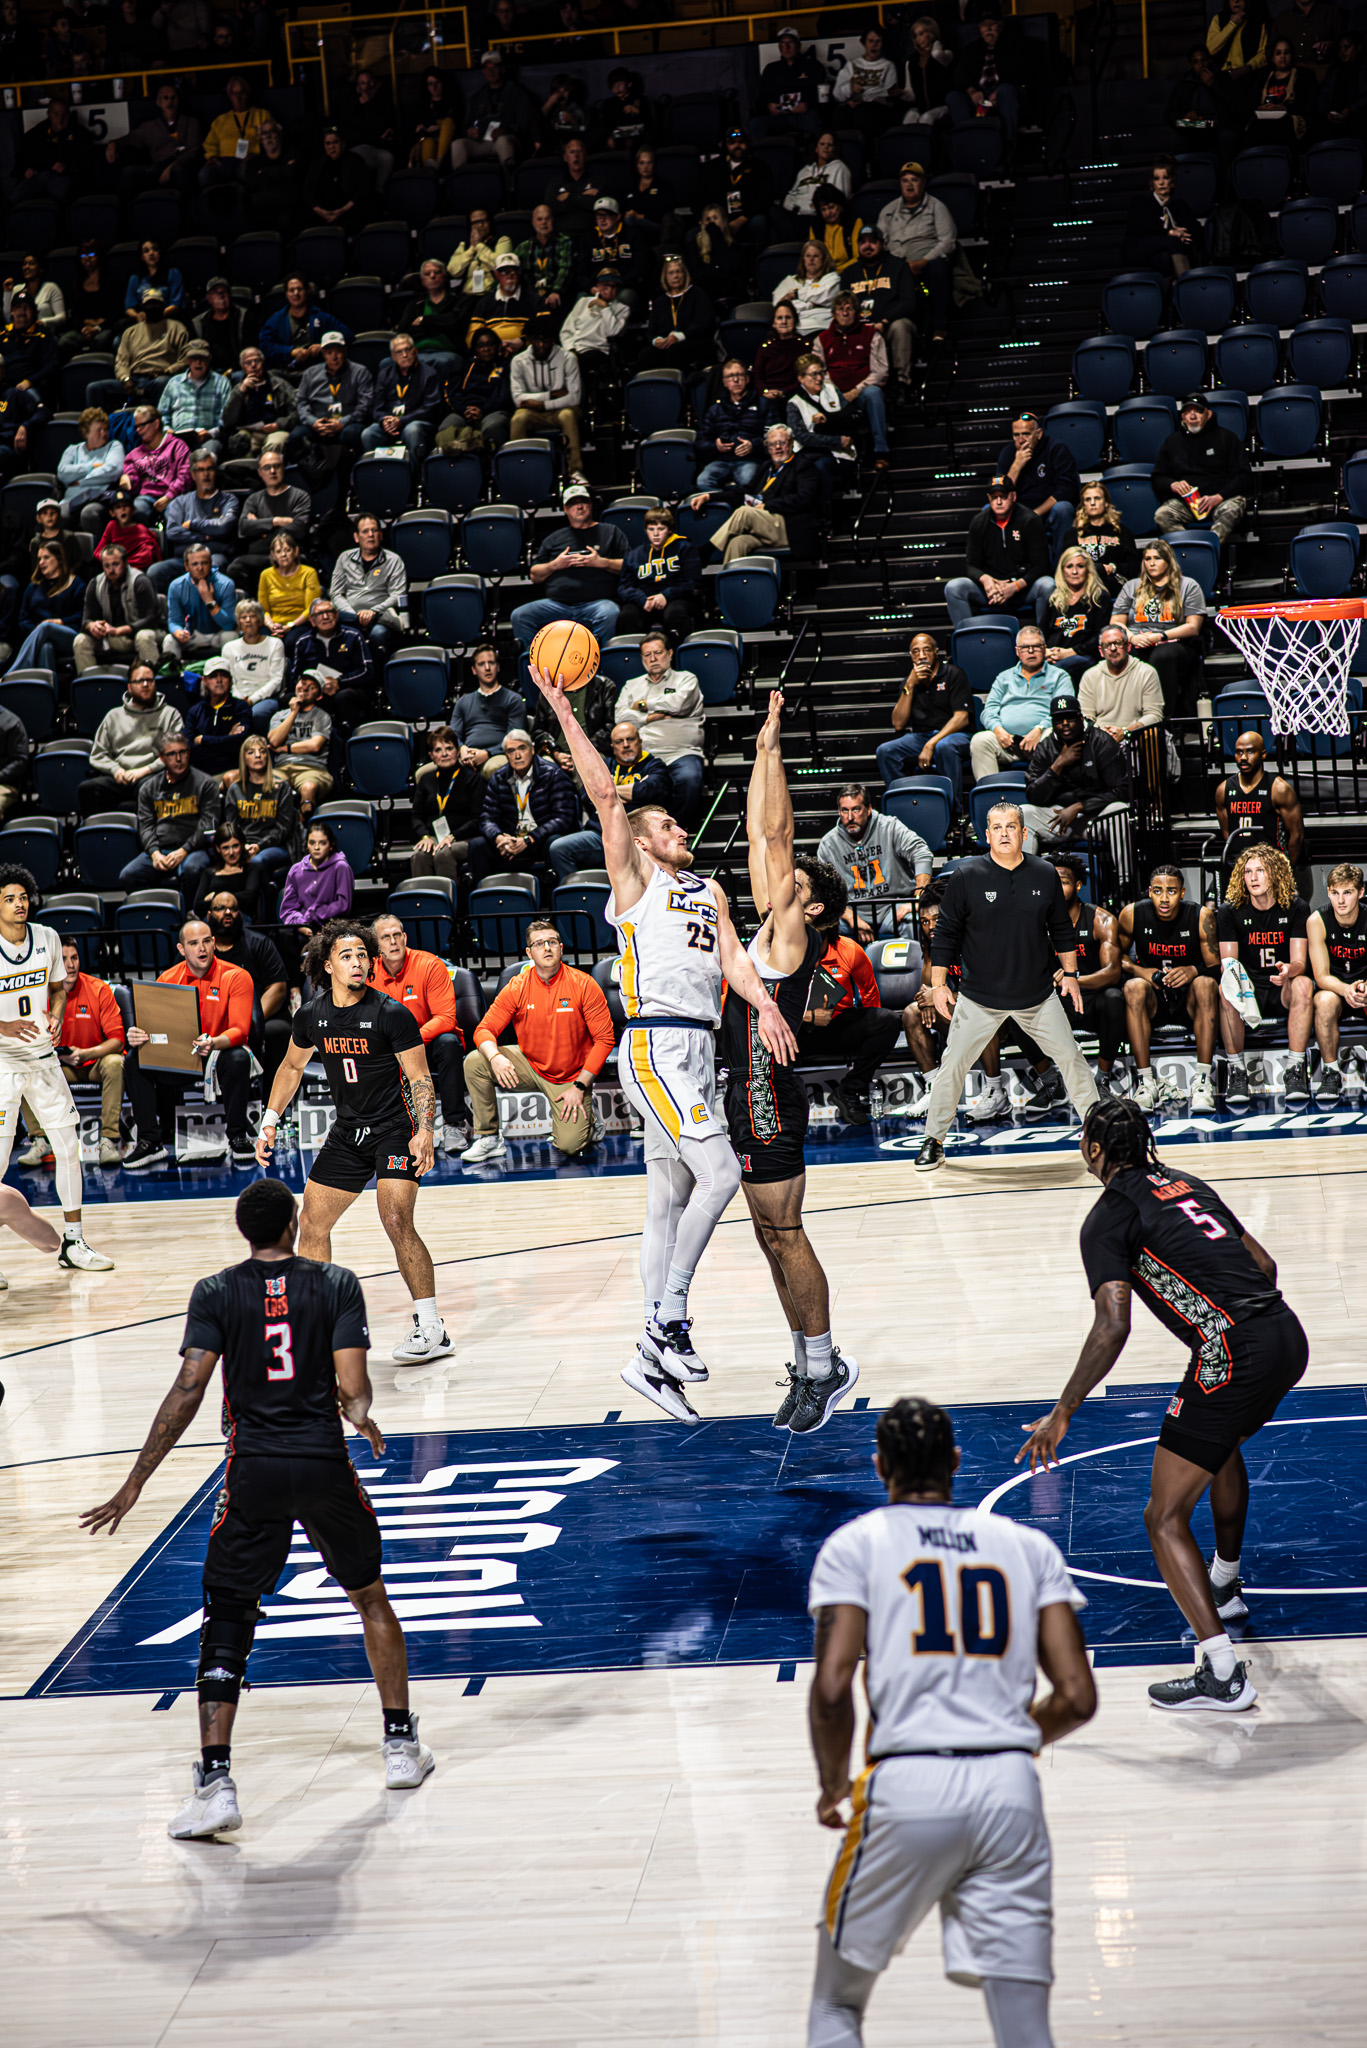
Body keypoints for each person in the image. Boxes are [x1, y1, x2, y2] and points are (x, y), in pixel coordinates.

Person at [81, 1177, 434, 1840]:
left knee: (228, 1616)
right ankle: (398, 1747)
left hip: (254, 1471)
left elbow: (186, 1392)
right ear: (295, 1223)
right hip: (323, 1464)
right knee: (368, 1596)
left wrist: (134, 1483)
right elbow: (354, 1387)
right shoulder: (335, 1282)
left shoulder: (214, 1292)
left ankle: (216, 1782)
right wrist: (360, 1418)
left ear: (243, 1231)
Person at [532, 660, 797, 1422]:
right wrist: (561, 707)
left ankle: (652, 1366)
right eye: (668, 827)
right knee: (719, 1176)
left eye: (678, 826)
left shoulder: (707, 891)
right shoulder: (636, 883)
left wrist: (765, 1007)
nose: (679, 830)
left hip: (698, 1049)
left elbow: (734, 962)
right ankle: (665, 1324)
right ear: (641, 845)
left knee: (668, 1201)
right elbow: (603, 794)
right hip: (654, 1046)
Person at [808, 1397, 1094, 2048]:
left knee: (837, 2007)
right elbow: (1075, 1697)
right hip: (1009, 1792)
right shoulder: (1025, 1546)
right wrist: (1004, 1736)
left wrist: (831, 1786)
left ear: (878, 1466)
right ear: (956, 1463)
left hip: (904, 1786)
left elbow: (830, 1688)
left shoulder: (854, 1545)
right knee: (1024, 2030)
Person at [1019, 1098, 1309, 1711]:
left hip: (1234, 1350)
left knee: (1162, 1516)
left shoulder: (1106, 1217)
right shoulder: (1187, 1183)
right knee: (1218, 1446)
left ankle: (1221, 1671)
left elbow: (1111, 1325)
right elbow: (1264, 1263)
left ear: (1094, 1150)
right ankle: (1224, 1584)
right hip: (1286, 1333)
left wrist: (1064, 1409)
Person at [728, 696, 858, 1431]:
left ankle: (825, 1363)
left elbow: (775, 833)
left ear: (809, 911)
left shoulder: (789, 944)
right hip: (742, 1097)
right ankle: (808, 1364)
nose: (782, 883)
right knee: (766, 1239)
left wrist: (775, 747)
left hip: (769, 1100)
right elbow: (757, 833)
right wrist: (760, 754)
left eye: (795, 887)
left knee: (786, 1233)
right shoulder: (764, 935)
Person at [256, 918, 450, 1364]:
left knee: (396, 1219)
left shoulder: (391, 1013)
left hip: (395, 1129)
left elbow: (421, 1077)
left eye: (363, 955)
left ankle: (433, 1327)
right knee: (313, 1222)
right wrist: (270, 1120)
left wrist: (424, 1130)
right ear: (327, 965)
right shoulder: (310, 1014)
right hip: (348, 1131)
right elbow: (290, 1068)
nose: (358, 962)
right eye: (347, 956)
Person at [914, 803, 1100, 1172]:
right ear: (987, 835)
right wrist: (938, 985)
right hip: (979, 997)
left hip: (1037, 995)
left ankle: (1098, 1132)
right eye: (996, 827)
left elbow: (1061, 929)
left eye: (1011, 826)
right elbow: (945, 936)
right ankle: (933, 1140)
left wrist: (1072, 975)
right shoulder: (967, 876)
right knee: (952, 1066)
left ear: (1023, 833)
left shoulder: (1044, 873)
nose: (1003, 833)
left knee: (1072, 1058)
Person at [0, 866, 115, 1270]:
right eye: (9, 898)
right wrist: (5, 1026)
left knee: (68, 1148)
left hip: (43, 1058)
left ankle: (74, 1243)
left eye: (23, 897)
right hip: (3, 1062)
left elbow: (55, 990)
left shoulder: (47, 937)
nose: (19, 904)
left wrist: (56, 1016)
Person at [463, 920, 615, 1164]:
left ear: (561, 948)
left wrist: (579, 1086)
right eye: (539, 943)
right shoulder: (517, 986)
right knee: (475, 1061)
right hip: (530, 1064)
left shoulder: (583, 984)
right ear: (529, 952)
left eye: (552, 942)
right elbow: (484, 1029)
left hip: (570, 1077)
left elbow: (605, 1039)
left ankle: (590, 1118)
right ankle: (489, 1138)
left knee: (568, 1146)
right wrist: (495, 1057)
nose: (547, 948)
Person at [120, 915, 254, 1170]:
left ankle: (237, 1135)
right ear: (181, 949)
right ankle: (150, 1141)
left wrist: (213, 1042)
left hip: (218, 1055)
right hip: (180, 1058)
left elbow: (241, 1030)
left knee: (238, 1057)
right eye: (193, 943)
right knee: (135, 1059)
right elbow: (155, 1030)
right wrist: (138, 1035)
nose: (201, 948)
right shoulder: (167, 979)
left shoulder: (236, 976)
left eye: (206, 941)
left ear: (214, 943)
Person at [1216, 843, 1312, 1107]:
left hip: (1281, 987)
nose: (1253, 877)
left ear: (1276, 873)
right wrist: (1243, 990)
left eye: (1260, 870)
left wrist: (1288, 970)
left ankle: (1295, 1070)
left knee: (1303, 984)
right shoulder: (1230, 910)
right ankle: (1236, 1072)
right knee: (1224, 988)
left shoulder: (1296, 907)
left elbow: (1300, 962)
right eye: (1247, 872)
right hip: (1247, 988)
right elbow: (1229, 965)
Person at [16, 938, 126, 1169]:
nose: (70, 965)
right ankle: (41, 1139)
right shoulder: (37, 994)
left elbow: (117, 1041)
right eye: (63, 959)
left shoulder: (99, 990)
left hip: (94, 1063)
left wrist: (86, 1054)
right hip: (59, 1067)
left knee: (115, 1062)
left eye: (74, 958)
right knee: (22, 1066)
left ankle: (108, 1140)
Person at [1119, 864, 1220, 1113]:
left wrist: (1193, 970)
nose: (1164, 898)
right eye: (1157, 891)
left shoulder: (1201, 916)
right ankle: (1145, 1083)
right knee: (1133, 987)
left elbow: (1217, 968)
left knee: (1206, 984)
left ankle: (1203, 1082)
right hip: (1154, 998)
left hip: (1189, 1000)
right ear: (1149, 892)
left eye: (1171, 891)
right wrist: (1142, 972)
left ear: (1182, 893)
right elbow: (1116, 961)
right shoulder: (1132, 914)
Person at [370, 912, 467, 1153]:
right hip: (388, 1046)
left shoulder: (430, 964)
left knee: (449, 1042)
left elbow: (446, 1018)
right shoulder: (368, 972)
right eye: (385, 937)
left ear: (404, 937)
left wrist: (410, 1042)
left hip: (428, 1042)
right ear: (376, 944)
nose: (392, 942)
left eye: (396, 936)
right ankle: (380, 1128)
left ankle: (454, 1124)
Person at [548, 721, 673, 881]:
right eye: (620, 742)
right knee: (559, 848)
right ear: (613, 747)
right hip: (600, 833)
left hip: (638, 838)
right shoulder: (605, 765)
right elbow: (588, 793)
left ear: (640, 741)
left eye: (630, 739)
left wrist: (607, 792)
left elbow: (652, 790)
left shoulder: (654, 765)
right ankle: (576, 894)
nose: (626, 745)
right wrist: (633, 792)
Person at [510, 483, 627, 651]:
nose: (579, 507)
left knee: (609, 612)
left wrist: (602, 562)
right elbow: (535, 575)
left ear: (591, 504)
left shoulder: (610, 532)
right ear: (565, 509)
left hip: (596, 604)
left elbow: (629, 567)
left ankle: (600, 665)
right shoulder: (554, 539)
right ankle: (534, 668)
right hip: (558, 604)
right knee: (520, 615)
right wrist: (555, 565)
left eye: (583, 502)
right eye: (573, 503)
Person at [1047, 853, 1125, 1097]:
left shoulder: (1101, 920)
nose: (1057, 889)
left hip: (1093, 1000)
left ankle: (1101, 1079)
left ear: (1078, 886)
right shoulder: (1036, 922)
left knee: (1114, 997)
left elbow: (1113, 973)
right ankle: (1050, 1081)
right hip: (1056, 1003)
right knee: (1016, 1006)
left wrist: (1074, 981)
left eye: (1063, 882)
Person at [817, 781, 933, 942]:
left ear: (868, 809)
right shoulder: (828, 844)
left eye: (856, 809)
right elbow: (825, 891)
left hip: (892, 908)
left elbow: (922, 853)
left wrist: (918, 899)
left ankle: (913, 967)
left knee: (912, 921)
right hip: (851, 911)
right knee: (820, 926)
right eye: (845, 810)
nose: (850, 817)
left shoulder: (889, 827)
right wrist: (851, 918)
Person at [613, 630, 706, 826]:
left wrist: (642, 705)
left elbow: (679, 704)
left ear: (670, 653)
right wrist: (650, 717)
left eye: (658, 653)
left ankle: (675, 828)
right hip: (645, 756)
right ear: (642, 658)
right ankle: (649, 832)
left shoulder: (686, 679)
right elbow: (620, 716)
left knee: (689, 778)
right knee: (637, 786)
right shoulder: (632, 685)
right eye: (647, 655)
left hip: (681, 753)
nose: (653, 659)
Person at [699, 421, 821, 564]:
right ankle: (733, 582)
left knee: (744, 512)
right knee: (737, 542)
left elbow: (804, 499)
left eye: (782, 443)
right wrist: (709, 496)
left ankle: (706, 550)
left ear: (791, 443)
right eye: (772, 444)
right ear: (767, 447)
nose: (777, 448)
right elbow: (744, 494)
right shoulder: (766, 467)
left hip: (790, 529)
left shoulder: (803, 465)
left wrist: (768, 505)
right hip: (766, 528)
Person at [1022, 693, 1132, 852]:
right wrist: (1057, 765)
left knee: (1120, 810)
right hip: (1058, 818)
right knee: (1023, 813)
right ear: (1053, 723)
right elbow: (1033, 795)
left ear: (1081, 719)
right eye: (1059, 720)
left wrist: (1079, 807)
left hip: (1096, 816)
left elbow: (1122, 790)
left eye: (1070, 719)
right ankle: (1027, 876)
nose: (1065, 724)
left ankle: (1125, 877)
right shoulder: (1045, 748)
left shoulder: (1102, 742)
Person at [469, 728, 579, 886]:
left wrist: (530, 839)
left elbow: (564, 818)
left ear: (532, 749)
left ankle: (550, 905)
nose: (518, 755)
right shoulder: (499, 778)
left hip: (539, 840)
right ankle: (482, 902)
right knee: (477, 845)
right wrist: (499, 838)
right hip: (510, 839)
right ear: (505, 755)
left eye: (522, 748)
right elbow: (487, 817)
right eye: (511, 751)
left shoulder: (553, 774)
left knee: (554, 843)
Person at [875, 632, 973, 810]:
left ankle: (955, 813)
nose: (921, 655)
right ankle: (904, 806)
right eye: (916, 651)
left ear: (936, 652)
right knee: (885, 751)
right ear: (911, 656)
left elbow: (962, 718)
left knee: (945, 746)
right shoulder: (909, 682)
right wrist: (909, 686)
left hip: (956, 735)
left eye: (926, 650)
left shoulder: (953, 674)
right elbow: (898, 723)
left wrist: (931, 745)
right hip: (921, 737)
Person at [1111, 539, 1206, 717]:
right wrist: (1131, 637)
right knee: (1124, 653)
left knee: (1162, 655)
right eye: (1147, 559)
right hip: (1138, 640)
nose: (1152, 563)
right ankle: (1127, 716)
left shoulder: (1188, 586)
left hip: (1174, 643)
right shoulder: (1132, 586)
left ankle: (1161, 718)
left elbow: (1193, 627)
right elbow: (1116, 621)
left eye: (1157, 558)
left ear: (1168, 561)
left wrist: (1160, 636)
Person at [203, 891, 290, 1085]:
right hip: (212, 1023)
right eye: (220, 909)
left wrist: (250, 1024)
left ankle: (272, 1105)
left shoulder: (259, 943)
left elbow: (278, 988)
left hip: (257, 1019)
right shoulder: (200, 950)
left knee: (277, 1031)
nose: (228, 913)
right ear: (209, 916)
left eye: (233, 909)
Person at [944, 475, 1052, 628]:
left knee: (1047, 585)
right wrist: (986, 580)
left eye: (1003, 496)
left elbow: (1042, 566)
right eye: (994, 497)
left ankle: (1042, 642)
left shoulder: (1030, 520)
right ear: (989, 498)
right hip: (990, 590)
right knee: (954, 587)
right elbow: (971, 566)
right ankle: (966, 641)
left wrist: (1015, 586)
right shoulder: (979, 522)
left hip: (1022, 588)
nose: (999, 502)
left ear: (1013, 496)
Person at [122, 730, 220, 899]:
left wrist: (184, 850)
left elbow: (208, 825)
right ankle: (156, 912)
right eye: (172, 754)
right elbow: (146, 826)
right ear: (161, 758)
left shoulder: (206, 784)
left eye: (183, 752)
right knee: (129, 875)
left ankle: (189, 917)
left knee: (193, 869)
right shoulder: (149, 788)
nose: (178, 758)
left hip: (193, 849)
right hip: (161, 849)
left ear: (189, 753)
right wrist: (154, 853)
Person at [969, 627, 1075, 783]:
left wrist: (1039, 729)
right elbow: (989, 710)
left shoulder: (1059, 676)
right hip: (1007, 742)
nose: (1031, 651)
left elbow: (1063, 710)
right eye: (1025, 647)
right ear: (1017, 652)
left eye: (1036, 646)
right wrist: (998, 730)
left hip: (1041, 739)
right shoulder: (1004, 677)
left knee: (1055, 733)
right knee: (980, 740)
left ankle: (1045, 792)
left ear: (1044, 649)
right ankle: (992, 798)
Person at [80, 664, 184, 816]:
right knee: (87, 789)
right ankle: (100, 836)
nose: (145, 685)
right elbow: (98, 755)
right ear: (129, 687)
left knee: (148, 789)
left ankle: (141, 838)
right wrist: (116, 770)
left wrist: (144, 771)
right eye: (140, 681)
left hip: (151, 775)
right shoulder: (113, 716)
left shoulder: (170, 714)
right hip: (121, 777)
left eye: (150, 680)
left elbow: (175, 754)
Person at [1152, 393, 1252, 548]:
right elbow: (1158, 478)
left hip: (1221, 499)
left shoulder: (1227, 438)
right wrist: (1173, 484)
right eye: (1188, 412)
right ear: (1183, 417)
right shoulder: (1172, 442)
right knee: (1162, 515)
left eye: (1197, 411)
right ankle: (1187, 550)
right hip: (1187, 503)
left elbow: (1244, 476)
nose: (1192, 415)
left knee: (1232, 509)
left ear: (1208, 414)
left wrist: (1219, 497)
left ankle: (1208, 550)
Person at [877, 163, 955, 344]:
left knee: (938, 270)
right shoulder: (888, 211)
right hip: (898, 263)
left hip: (928, 261)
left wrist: (923, 261)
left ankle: (939, 328)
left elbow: (948, 242)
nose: (909, 185)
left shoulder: (937, 207)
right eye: (905, 180)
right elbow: (881, 243)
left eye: (914, 180)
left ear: (923, 182)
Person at [1308, 862, 1367, 1102]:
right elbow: (1321, 976)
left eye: (1347, 892)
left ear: (1360, 892)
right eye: (1335, 892)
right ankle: (1331, 1073)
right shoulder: (1317, 920)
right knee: (1323, 1000)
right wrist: (1345, 989)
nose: (1340, 900)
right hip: (1336, 988)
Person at [508, 313, 586, 483]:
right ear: (528, 339)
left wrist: (542, 405)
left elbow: (574, 398)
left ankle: (575, 472)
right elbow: (518, 398)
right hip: (533, 412)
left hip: (562, 410)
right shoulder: (518, 361)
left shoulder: (568, 358)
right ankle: (520, 472)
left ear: (553, 339)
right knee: (518, 418)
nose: (541, 345)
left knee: (568, 415)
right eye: (536, 340)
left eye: (546, 340)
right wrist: (550, 395)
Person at [842, 225, 920, 392]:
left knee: (901, 326)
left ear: (882, 244)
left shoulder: (898, 266)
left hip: (889, 325)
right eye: (862, 242)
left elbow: (908, 303)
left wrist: (884, 322)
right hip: (859, 328)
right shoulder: (849, 273)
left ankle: (902, 383)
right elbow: (843, 306)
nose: (867, 246)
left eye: (872, 241)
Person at [1215, 729, 1305, 874]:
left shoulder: (1279, 789)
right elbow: (1227, 834)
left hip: (1270, 863)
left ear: (1263, 754)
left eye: (1250, 752)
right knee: (1211, 897)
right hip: (1237, 863)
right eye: (1239, 752)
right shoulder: (1223, 790)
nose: (1243, 757)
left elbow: (1297, 835)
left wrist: (1286, 872)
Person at [225, 450, 311, 596]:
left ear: (283, 468)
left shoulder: (300, 496)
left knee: (301, 559)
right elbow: (244, 527)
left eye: (277, 466)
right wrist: (276, 521)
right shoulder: (253, 499)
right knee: (235, 567)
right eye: (267, 467)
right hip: (260, 556)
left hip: (289, 554)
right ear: (260, 472)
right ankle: (256, 606)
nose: (272, 471)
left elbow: (298, 529)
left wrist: (261, 531)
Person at [996, 411, 1079, 561]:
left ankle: (1062, 568)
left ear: (1039, 433)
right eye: (1016, 435)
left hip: (1048, 513)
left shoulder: (1056, 449)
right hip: (1018, 514)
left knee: (1063, 509)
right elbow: (999, 494)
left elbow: (1066, 491)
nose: (1021, 440)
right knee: (988, 511)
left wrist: (1034, 514)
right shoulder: (1008, 454)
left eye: (1026, 434)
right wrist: (1016, 466)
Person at [616, 508, 702, 643]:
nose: (656, 534)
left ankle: (678, 658)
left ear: (669, 530)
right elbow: (624, 587)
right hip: (645, 601)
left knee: (675, 613)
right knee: (628, 615)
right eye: (651, 529)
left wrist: (666, 595)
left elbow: (693, 583)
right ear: (645, 530)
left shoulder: (685, 548)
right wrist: (641, 599)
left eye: (661, 529)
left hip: (676, 599)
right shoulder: (634, 555)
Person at [329, 514, 408, 661]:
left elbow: (398, 595)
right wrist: (355, 616)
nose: (370, 535)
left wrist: (372, 612)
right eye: (365, 531)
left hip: (381, 618)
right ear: (356, 537)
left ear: (381, 534)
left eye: (374, 530)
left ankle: (377, 680)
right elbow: (336, 594)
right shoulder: (344, 558)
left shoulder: (393, 560)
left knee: (378, 635)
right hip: (350, 616)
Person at [411, 725, 484, 882]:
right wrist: (425, 836)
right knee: (419, 855)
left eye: (449, 748)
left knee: (443, 853)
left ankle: (449, 903)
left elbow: (477, 820)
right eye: (438, 750)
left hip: (464, 838)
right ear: (431, 755)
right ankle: (423, 903)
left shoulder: (473, 779)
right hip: (434, 837)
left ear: (457, 752)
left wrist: (453, 837)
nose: (444, 754)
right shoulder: (426, 780)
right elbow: (416, 816)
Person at [289, 332, 374, 468]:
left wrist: (341, 423)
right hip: (318, 424)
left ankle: (356, 475)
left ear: (345, 351)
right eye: (329, 352)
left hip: (347, 423)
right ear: (323, 353)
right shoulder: (310, 374)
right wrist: (313, 422)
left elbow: (364, 405)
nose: (334, 357)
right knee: (296, 436)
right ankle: (301, 481)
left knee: (352, 434)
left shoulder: (360, 372)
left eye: (338, 352)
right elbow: (301, 402)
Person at [223, 733, 297, 886]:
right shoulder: (235, 790)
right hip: (243, 847)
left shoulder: (281, 788)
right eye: (251, 752)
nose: (258, 755)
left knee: (257, 862)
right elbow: (232, 827)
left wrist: (260, 846)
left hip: (275, 846)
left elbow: (283, 828)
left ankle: (265, 907)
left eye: (262, 751)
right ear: (244, 758)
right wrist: (241, 847)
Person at [73, 541, 159, 673]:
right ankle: (90, 687)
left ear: (125, 563)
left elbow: (152, 619)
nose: (111, 570)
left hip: (137, 635)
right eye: (107, 566)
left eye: (115, 564)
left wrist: (120, 630)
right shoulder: (95, 584)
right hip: (111, 637)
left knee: (144, 636)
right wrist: (93, 626)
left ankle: (152, 684)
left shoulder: (140, 581)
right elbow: (86, 620)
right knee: (80, 640)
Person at [361, 332, 442, 466]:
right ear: (393, 357)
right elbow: (377, 408)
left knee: (412, 430)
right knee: (368, 433)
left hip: (418, 423)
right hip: (392, 424)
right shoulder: (384, 374)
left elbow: (430, 409)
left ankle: (414, 478)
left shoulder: (429, 374)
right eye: (399, 352)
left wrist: (401, 420)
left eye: (408, 350)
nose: (405, 355)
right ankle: (379, 476)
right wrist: (384, 420)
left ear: (415, 351)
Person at [948, 6, 1026, 144]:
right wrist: (972, 91)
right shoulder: (971, 49)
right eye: (984, 25)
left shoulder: (1014, 44)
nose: (988, 28)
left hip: (1004, 91)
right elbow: (959, 77)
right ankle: (968, 142)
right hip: (980, 94)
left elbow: (1020, 73)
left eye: (992, 24)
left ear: (1000, 26)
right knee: (954, 97)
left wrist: (997, 92)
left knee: (1006, 90)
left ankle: (1009, 143)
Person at [696, 360, 771, 496]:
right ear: (724, 382)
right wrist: (715, 445)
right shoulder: (715, 409)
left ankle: (742, 512)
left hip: (750, 459)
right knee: (703, 481)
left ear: (747, 378)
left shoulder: (763, 404)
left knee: (749, 482)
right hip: (721, 459)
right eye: (730, 377)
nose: (735, 380)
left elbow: (773, 436)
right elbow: (700, 441)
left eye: (739, 375)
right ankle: (724, 507)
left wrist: (753, 445)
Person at [632, 255, 716, 377]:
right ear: (665, 277)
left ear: (685, 274)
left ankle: (678, 389)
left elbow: (702, 323)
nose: (675, 276)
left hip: (693, 340)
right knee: (646, 354)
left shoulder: (697, 294)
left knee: (675, 352)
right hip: (666, 343)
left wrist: (680, 336)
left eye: (678, 272)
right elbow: (651, 331)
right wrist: (656, 341)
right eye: (670, 273)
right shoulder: (660, 301)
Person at [451, 48, 533, 172]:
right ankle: (461, 183)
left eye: (494, 67)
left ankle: (510, 184)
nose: (491, 71)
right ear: (483, 71)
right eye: (487, 68)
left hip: (509, 140)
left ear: (502, 68)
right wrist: (469, 131)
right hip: (483, 141)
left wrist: (506, 130)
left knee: (502, 141)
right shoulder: (477, 98)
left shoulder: (517, 93)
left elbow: (524, 125)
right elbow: (464, 127)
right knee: (457, 144)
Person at [11, 539, 85, 674]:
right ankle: (46, 692)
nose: (41, 562)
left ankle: (13, 674)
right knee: (46, 647)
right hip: (41, 637)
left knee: (46, 626)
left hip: (69, 635)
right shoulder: (33, 587)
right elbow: (23, 619)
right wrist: (37, 632)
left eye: (46, 557)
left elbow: (83, 615)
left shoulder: (75, 584)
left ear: (59, 559)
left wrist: (61, 622)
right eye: (39, 559)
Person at [1078, 625, 1163, 740]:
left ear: (1128, 647)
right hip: (1100, 738)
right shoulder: (1090, 675)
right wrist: (1102, 735)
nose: (1113, 648)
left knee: (1154, 735)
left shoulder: (1146, 672)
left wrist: (1126, 731)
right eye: (1107, 645)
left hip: (1135, 736)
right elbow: (1086, 716)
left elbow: (1154, 715)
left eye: (1118, 643)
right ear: (1101, 651)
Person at [257, 276, 353, 379]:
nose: (296, 294)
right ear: (286, 294)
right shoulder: (277, 319)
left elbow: (347, 334)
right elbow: (264, 345)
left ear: (306, 291)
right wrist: (290, 351)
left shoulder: (320, 316)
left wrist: (324, 345)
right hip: (286, 371)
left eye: (299, 289)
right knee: (269, 375)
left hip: (315, 370)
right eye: (292, 290)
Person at [451, 646, 525, 778]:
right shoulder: (463, 702)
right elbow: (453, 735)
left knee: (494, 767)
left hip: (499, 753)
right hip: (468, 754)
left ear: (498, 667)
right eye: (481, 664)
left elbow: (515, 738)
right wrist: (462, 749)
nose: (487, 668)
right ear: (474, 670)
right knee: (425, 773)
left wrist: (487, 753)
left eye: (491, 663)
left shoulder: (513, 699)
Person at [268, 671, 335, 817]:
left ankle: (304, 827)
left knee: (308, 787)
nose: (305, 688)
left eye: (312, 687)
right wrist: (293, 713)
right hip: (282, 768)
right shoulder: (280, 715)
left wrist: (286, 748)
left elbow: (315, 745)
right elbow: (274, 740)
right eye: (303, 683)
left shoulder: (322, 716)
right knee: (267, 785)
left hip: (312, 769)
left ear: (319, 695)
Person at [1123, 156, 1204, 275]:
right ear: (1152, 183)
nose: (1161, 183)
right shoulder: (1141, 203)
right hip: (1144, 248)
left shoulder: (1179, 205)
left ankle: (1180, 283)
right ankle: (1186, 283)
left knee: (1169, 253)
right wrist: (1170, 233)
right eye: (1157, 179)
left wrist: (1182, 233)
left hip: (1168, 251)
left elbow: (1195, 228)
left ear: (1172, 181)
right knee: (1173, 242)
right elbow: (1141, 230)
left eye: (1165, 178)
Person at [163, 450, 239, 572]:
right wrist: (204, 536)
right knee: (156, 571)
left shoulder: (228, 500)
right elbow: (172, 532)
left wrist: (192, 524)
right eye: (200, 470)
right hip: (184, 559)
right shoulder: (180, 502)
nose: (206, 474)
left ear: (216, 472)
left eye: (210, 469)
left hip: (214, 556)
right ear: (193, 474)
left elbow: (223, 526)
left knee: (215, 565)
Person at [1039, 547, 1113, 669]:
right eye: (1069, 567)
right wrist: (1045, 651)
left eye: (1080, 566)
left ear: (1088, 570)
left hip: (1085, 655)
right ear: (1062, 571)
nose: (1074, 572)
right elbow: (1042, 631)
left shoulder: (1099, 597)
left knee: (1060, 668)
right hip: (1054, 655)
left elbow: (1101, 635)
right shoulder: (1054, 599)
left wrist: (1072, 652)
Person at [164, 542, 237, 663]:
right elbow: (174, 621)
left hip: (218, 635)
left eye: (204, 563)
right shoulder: (176, 586)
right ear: (186, 566)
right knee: (169, 640)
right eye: (195, 564)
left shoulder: (225, 584)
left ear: (211, 563)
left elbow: (229, 625)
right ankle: (172, 679)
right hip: (192, 636)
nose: (200, 568)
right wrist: (178, 631)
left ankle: (229, 678)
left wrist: (209, 601)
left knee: (231, 637)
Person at [701, 126, 775, 246]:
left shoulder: (759, 167)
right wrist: (715, 220)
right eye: (732, 143)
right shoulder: (712, 168)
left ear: (747, 143)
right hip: (718, 219)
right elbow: (701, 196)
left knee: (760, 222)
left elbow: (764, 199)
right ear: (725, 145)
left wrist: (741, 220)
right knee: (693, 234)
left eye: (741, 142)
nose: (737, 146)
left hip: (747, 218)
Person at [120, 405, 193, 524]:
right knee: (136, 511)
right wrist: (127, 480)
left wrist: (170, 496)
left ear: (156, 423)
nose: (138, 430)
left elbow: (186, 475)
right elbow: (133, 481)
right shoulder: (134, 454)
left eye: (142, 425)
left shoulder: (177, 446)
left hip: (173, 496)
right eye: (136, 427)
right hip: (145, 497)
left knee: (175, 514)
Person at [754, 25, 826, 142]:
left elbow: (822, 93)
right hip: (779, 117)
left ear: (798, 45)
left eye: (790, 43)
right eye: (782, 44)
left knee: (813, 119)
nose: (786, 47)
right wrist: (769, 106)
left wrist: (807, 104)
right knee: (756, 124)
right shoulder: (771, 69)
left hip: (805, 115)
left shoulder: (813, 66)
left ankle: (813, 158)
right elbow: (761, 97)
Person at [160, 341, 231, 460]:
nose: (198, 363)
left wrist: (211, 433)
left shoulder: (221, 383)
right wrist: (168, 430)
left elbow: (227, 418)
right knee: (169, 460)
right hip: (178, 438)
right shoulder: (174, 382)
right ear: (187, 360)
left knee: (206, 459)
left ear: (209, 359)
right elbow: (162, 414)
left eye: (202, 358)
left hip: (208, 437)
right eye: (194, 358)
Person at [398, 258, 467, 381]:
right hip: (417, 352)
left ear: (445, 276)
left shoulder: (457, 300)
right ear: (422, 280)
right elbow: (404, 332)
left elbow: (456, 323)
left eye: (437, 272)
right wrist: (440, 324)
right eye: (427, 274)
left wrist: (424, 321)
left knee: (443, 363)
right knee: (386, 363)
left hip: (446, 351)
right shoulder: (416, 304)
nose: (432, 276)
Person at [1072, 481, 1140, 604]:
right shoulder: (1073, 534)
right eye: (1088, 499)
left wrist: (1113, 567)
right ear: (1083, 505)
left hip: (1113, 583)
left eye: (1097, 498)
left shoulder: (1121, 532)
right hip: (1082, 585)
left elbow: (1134, 565)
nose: (1093, 503)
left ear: (1106, 503)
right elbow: (1064, 564)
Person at [183, 660, 252, 782]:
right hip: (199, 772)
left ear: (230, 680)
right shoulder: (195, 711)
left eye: (223, 676)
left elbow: (238, 744)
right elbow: (189, 750)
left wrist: (204, 739)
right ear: (205, 681)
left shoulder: (240, 707)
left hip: (230, 770)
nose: (219, 680)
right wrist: (226, 739)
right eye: (214, 676)